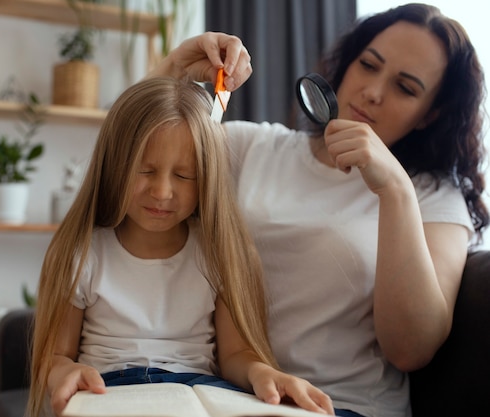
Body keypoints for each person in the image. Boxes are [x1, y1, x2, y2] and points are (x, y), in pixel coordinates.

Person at [145, 3, 489, 417]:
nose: (373, 91)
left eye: (406, 88)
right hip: (223, 394)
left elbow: (410, 349)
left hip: (337, 407)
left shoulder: (434, 196)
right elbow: (123, 170)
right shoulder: (252, 148)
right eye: (368, 65)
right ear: (346, 66)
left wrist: (395, 190)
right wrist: (174, 68)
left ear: (429, 114)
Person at [26, 77, 334, 417]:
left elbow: (234, 355)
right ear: (113, 166)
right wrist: (63, 372)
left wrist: (263, 373)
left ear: (208, 178)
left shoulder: (221, 253)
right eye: (145, 170)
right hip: (108, 389)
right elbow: (53, 356)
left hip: (200, 392)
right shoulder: (82, 252)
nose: (161, 192)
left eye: (184, 176)